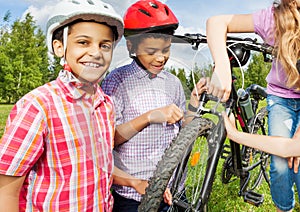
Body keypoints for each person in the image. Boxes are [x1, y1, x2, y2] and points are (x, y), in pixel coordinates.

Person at [0, 0, 147, 211]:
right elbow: (5, 189)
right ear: (59, 47)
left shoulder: (105, 105)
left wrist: (133, 181)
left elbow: (96, 167)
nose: (96, 52)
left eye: (104, 45)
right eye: (83, 42)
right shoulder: (39, 106)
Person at [101, 0, 207, 211]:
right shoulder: (116, 82)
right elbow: (108, 140)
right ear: (131, 46)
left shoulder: (172, 82)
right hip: (135, 194)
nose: (160, 58)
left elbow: (182, 130)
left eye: (166, 50)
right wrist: (149, 117)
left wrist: (193, 103)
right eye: (151, 51)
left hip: (173, 186)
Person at [206, 0, 300, 211]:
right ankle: (283, 207)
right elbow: (216, 22)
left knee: (296, 161)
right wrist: (222, 67)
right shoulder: (274, 18)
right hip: (282, 96)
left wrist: (236, 135)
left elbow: (293, 147)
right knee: (281, 164)